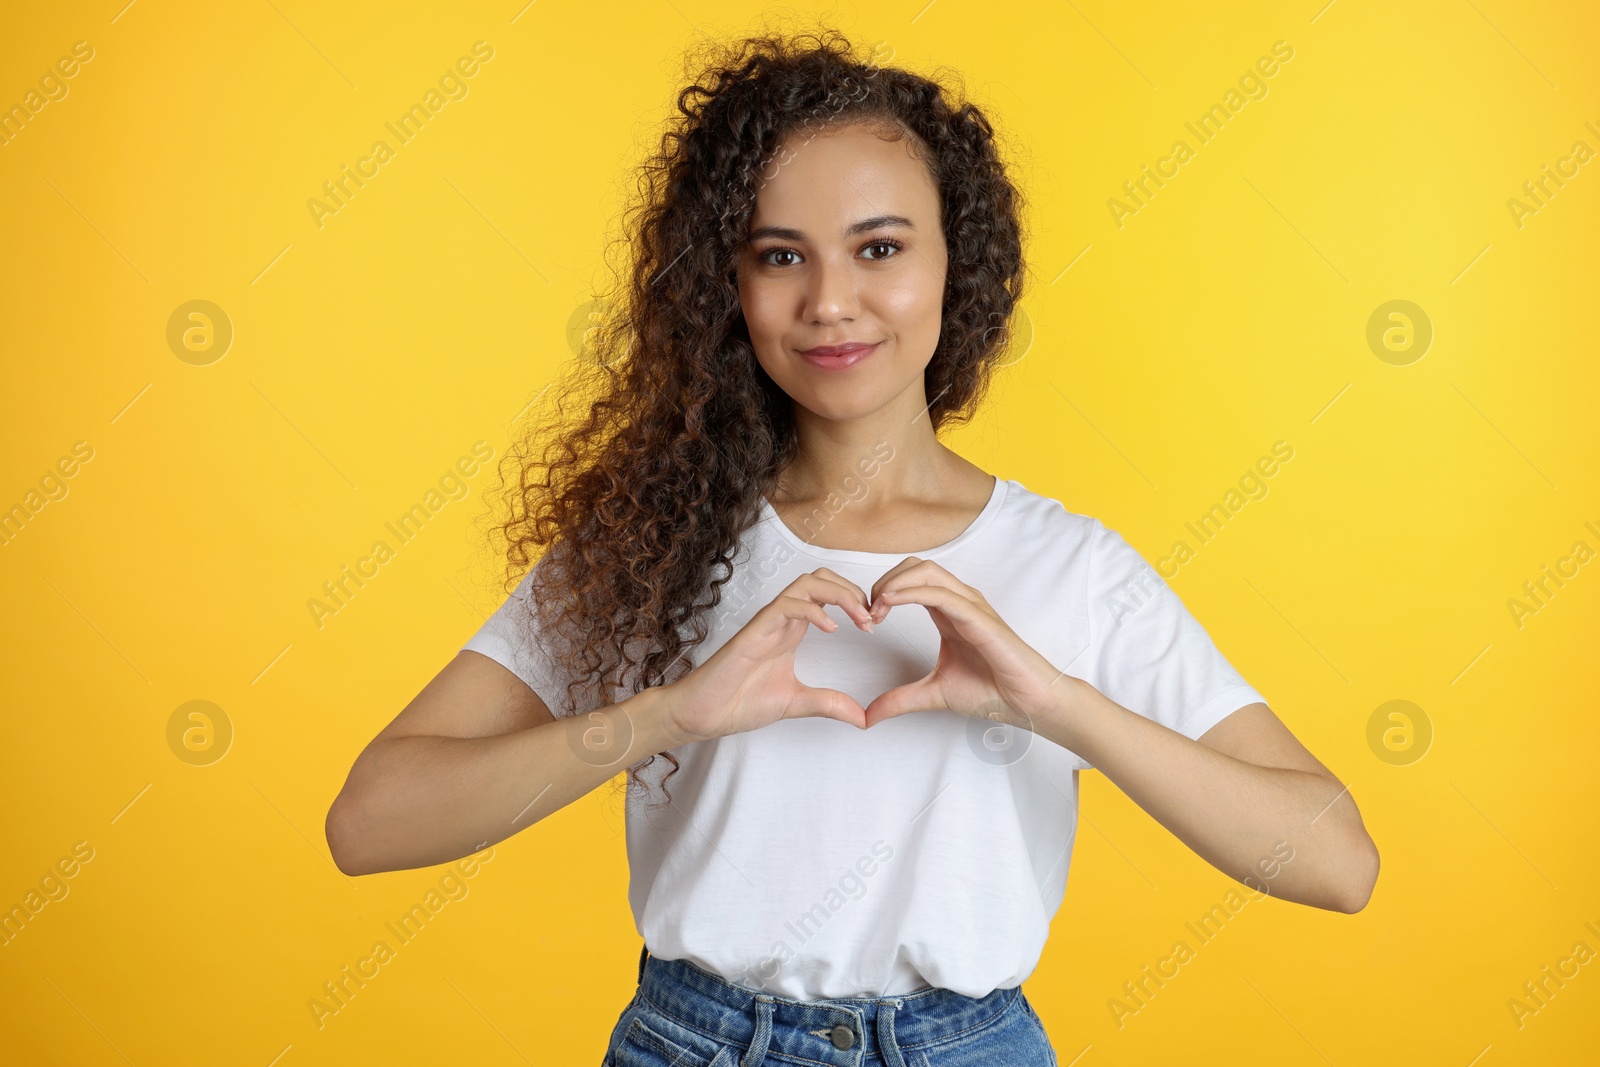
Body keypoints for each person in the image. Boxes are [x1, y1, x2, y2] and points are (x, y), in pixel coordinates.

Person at [325, 28, 1379, 1066]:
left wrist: (1051, 701)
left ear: (956, 263)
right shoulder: (652, 540)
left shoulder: (1073, 567)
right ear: (723, 290)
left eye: (879, 247)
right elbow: (368, 823)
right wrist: (669, 713)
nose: (829, 301)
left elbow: (1335, 860)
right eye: (779, 256)